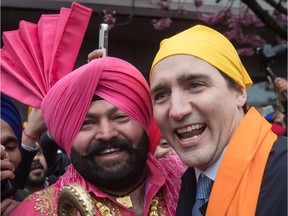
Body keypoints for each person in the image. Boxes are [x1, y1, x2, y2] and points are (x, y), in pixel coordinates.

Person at [11, 57, 186, 215]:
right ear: (66, 134)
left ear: (144, 121)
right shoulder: (36, 211)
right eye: (86, 123)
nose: (107, 134)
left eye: (120, 117)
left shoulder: (187, 177)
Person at [149, 25, 287, 216]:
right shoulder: (190, 184)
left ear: (239, 92)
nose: (177, 111)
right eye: (161, 95)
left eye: (195, 85)